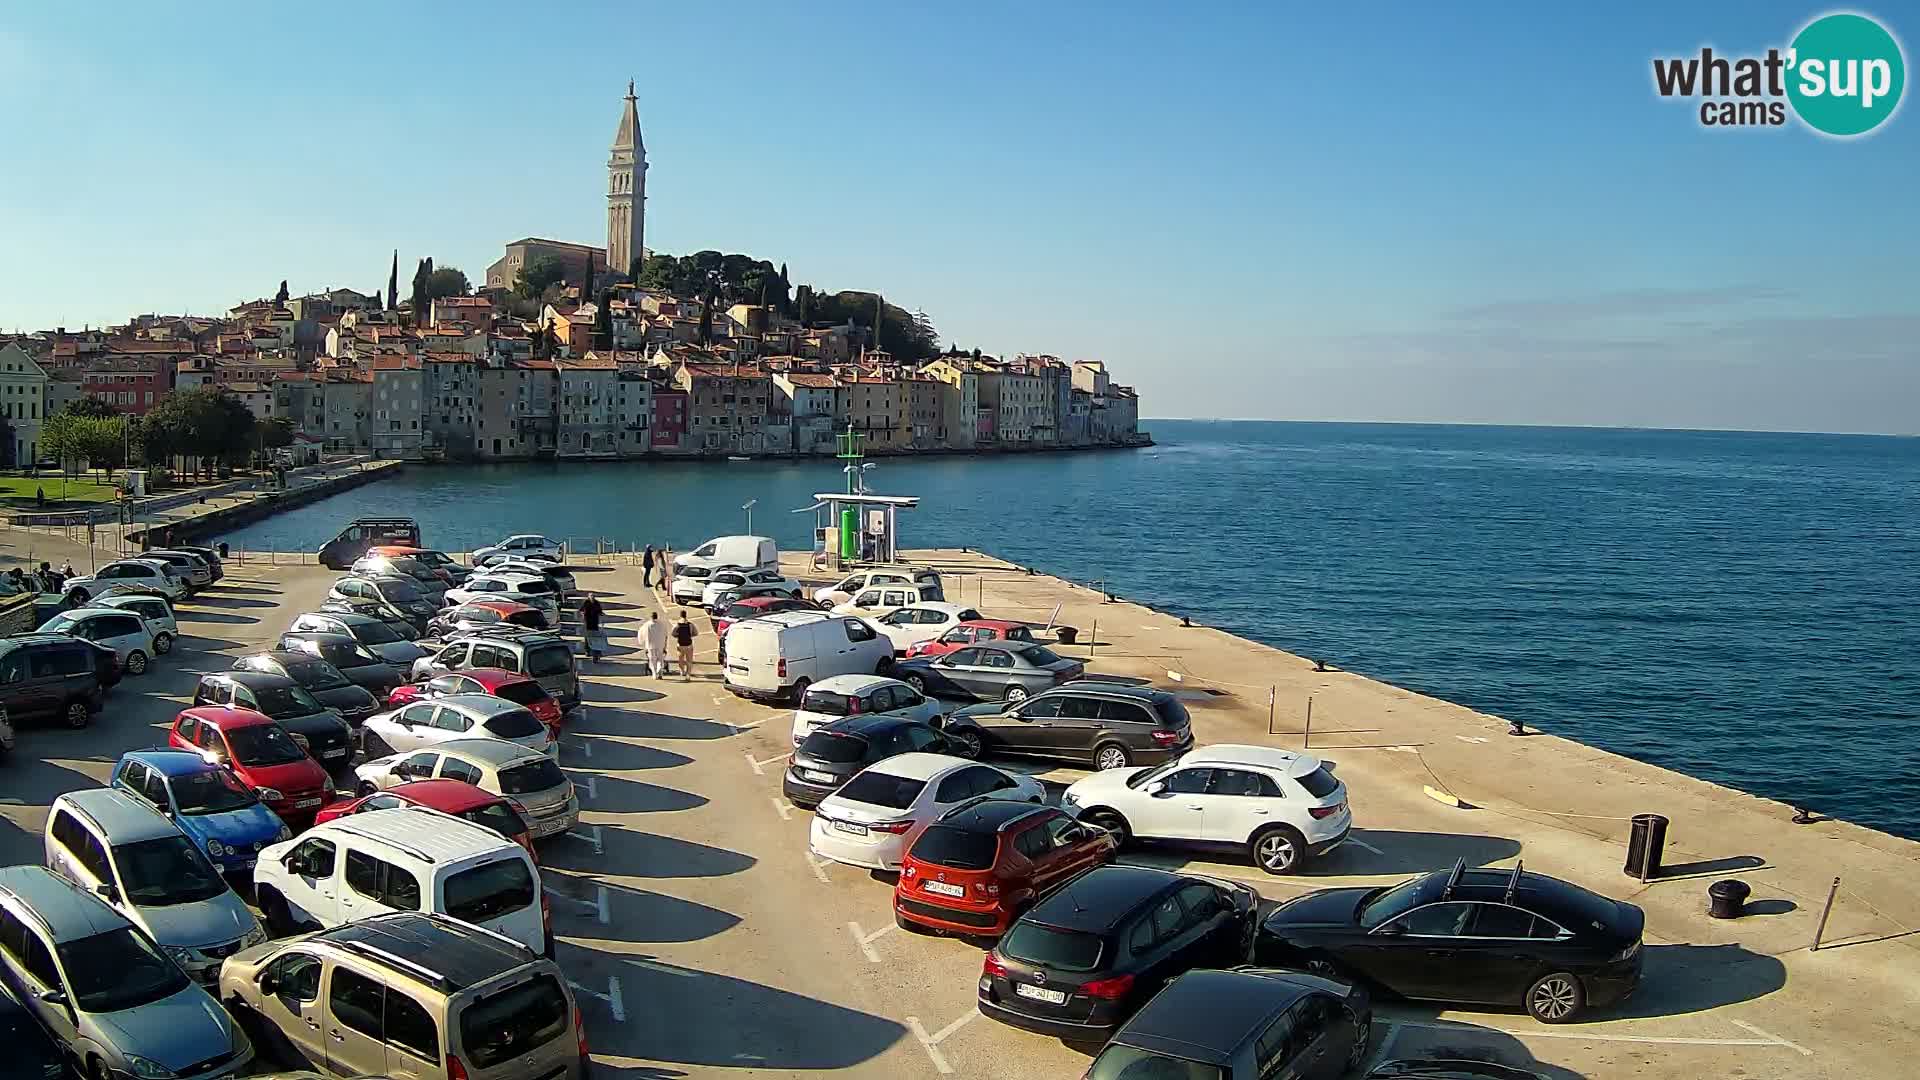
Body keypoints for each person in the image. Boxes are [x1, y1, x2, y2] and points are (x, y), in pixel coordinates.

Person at [642, 611, 669, 678]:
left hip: (650, 645)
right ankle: (660, 671)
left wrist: (645, 646)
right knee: (660, 659)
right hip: (660, 644)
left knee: (652, 660)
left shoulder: (647, 625)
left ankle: (654, 673)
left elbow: (643, 636)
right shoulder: (662, 624)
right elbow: (666, 635)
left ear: (651, 617)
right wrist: (665, 646)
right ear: (657, 616)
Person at [672, 609, 697, 681]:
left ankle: (682, 671)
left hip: (680, 644)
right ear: (686, 615)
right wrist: (690, 635)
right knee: (689, 660)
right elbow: (696, 633)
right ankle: (688, 674)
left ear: (680, 615)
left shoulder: (677, 625)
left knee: (681, 659)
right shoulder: (690, 624)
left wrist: (678, 636)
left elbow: (673, 633)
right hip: (689, 644)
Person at [580, 593, 605, 662]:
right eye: (591, 596)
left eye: (593, 596)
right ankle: (587, 651)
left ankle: (597, 653)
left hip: (595, 623)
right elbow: (581, 610)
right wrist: (583, 614)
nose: (592, 597)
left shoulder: (596, 603)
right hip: (587, 624)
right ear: (588, 597)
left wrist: (602, 614)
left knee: (596, 638)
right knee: (587, 638)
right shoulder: (586, 603)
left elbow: (600, 611)